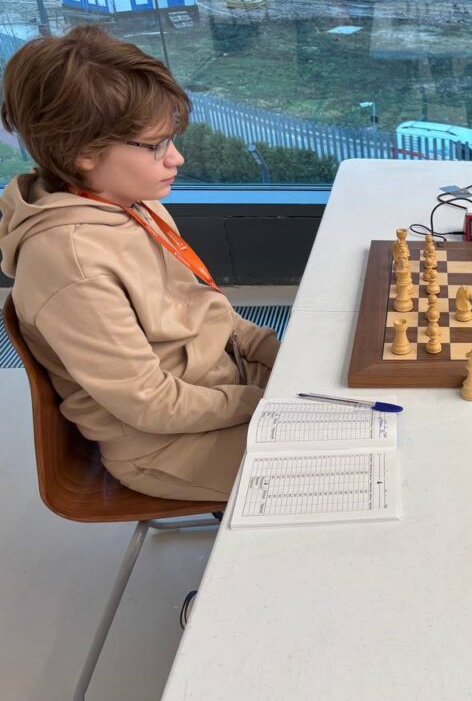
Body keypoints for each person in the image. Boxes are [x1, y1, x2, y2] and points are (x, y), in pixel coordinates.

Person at [0, 26, 279, 501]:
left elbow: (204, 307)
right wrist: (263, 402)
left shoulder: (131, 201)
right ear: (82, 153)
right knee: (357, 470)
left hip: (223, 387)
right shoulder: (71, 266)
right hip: (166, 445)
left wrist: (276, 354)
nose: (176, 158)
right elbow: (150, 403)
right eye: (156, 145)